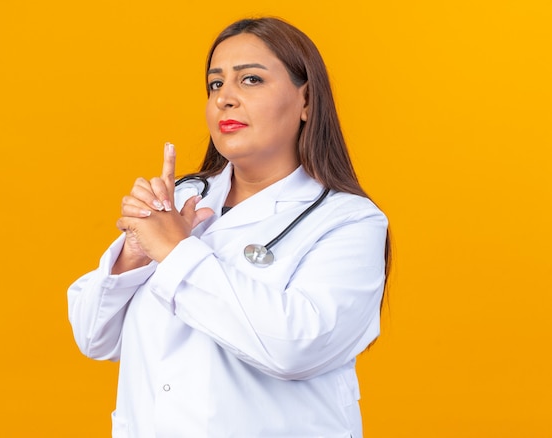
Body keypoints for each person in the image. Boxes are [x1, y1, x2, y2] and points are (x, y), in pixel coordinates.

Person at [68, 16, 390, 438]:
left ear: (306, 101)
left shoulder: (349, 221)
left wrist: (175, 251)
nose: (225, 99)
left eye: (251, 80)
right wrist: (136, 253)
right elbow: (94, 337)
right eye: (215, 84)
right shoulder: (183, 198)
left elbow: (295, 348)